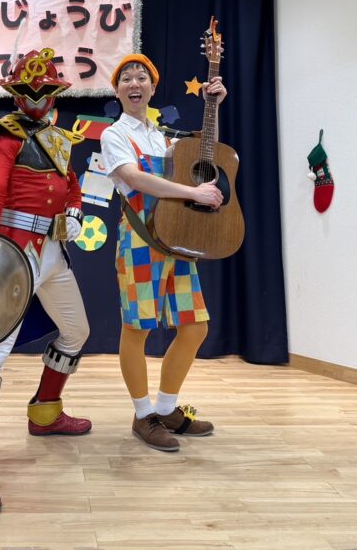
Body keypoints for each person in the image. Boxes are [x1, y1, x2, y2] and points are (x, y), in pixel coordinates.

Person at [0, 48, 91, 515]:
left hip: (53, 253)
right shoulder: (4, 134)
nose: (36, 98)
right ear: (14, 93)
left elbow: (71, 184)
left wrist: (75, 210)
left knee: (76, 331)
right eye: (27, 90)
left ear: (54, 93)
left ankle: (45, 412)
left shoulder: (58, 138)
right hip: (15, 254)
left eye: (44, 90)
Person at [99, 54, 226, 453]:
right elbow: (134, 179)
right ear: (117, 90)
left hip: (176, 238)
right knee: (137, 328)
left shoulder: (164, 137)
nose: (134, 83)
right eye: (126, 78)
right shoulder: (114, 135)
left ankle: (167, 409)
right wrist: (193, 193)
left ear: (152, 89)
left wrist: (213, 107)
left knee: (195, 326)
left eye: (142, 77)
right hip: (140, 240)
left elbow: (205, 159)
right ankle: (143, 415)